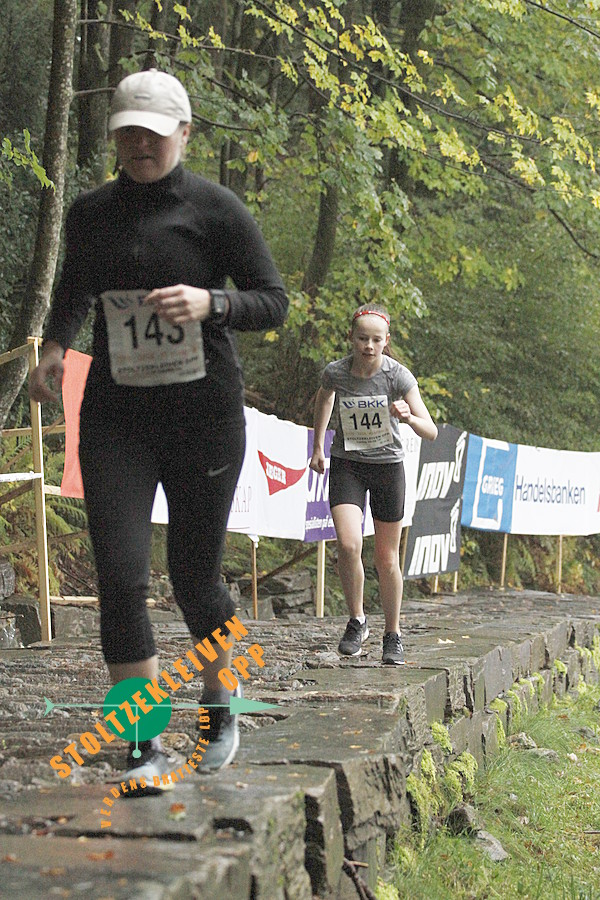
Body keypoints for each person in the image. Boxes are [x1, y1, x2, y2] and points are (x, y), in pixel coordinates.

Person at [29, 69, 288, 785]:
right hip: (117, 416)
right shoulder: (90, 212)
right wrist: (55, 347)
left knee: (196, 580)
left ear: (184, 132)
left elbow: (273, 301)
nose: (139, 144)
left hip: (203, 417)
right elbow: (74, 286)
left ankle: (220, 700)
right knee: (119, 577)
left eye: (153, 132)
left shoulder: (217, 210)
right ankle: (143, 742)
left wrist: (212, 304)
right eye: (127, 133)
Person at [309, 304, 437, 665]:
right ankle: (357, 620)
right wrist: (318, 446)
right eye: (362, 338)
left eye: (376, 340)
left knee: (386, 557)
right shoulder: (336, 372)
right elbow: (324, 396)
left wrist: (408, 417)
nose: (369, 346)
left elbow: (430, 430)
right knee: (349, 544)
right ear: (351, 338)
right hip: (348, 464)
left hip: (387, 469)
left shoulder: (398, 376)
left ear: (386, 341)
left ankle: (392, 634)